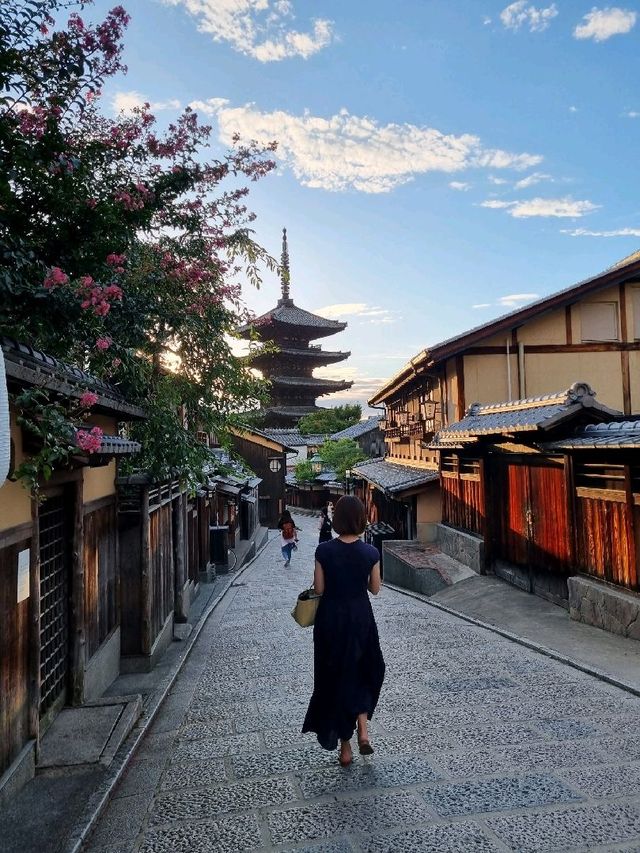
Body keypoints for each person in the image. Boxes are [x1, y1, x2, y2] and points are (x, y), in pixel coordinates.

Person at [302, 495, 385, 767]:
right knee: (363, 670)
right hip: (361, 618)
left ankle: (345, 748)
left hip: (331, 621)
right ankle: (363, 729)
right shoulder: (371, 553)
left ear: (336, 519)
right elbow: (375, 589)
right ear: (361, 519)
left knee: (335, 676)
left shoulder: (324, 551)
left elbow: (320, 589)